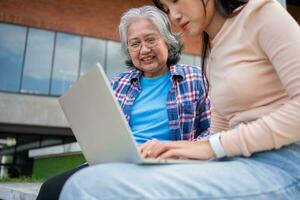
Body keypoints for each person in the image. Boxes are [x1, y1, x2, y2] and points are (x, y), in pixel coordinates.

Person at [59, 0, 300, 199]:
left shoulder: (262, 13)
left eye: (175, 0)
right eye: (166, 8)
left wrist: (206, 147)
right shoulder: (214, 49)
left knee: (87, 187)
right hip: (236, 161)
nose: (173, 15)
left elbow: (216, 140)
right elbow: (220, 127)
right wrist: (183, 152)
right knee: (83, 180)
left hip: (282, 163)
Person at [36, 5, 210, 200]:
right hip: (115, 166)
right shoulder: (117, 84)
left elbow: (213, 131)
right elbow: (103, 136)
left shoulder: (196, 78)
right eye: (134, 43)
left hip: (166, 167)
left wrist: (177, 150)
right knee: (50, 189)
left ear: (168, 42)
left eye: (151, 39)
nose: (144, 49)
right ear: (128, 50)